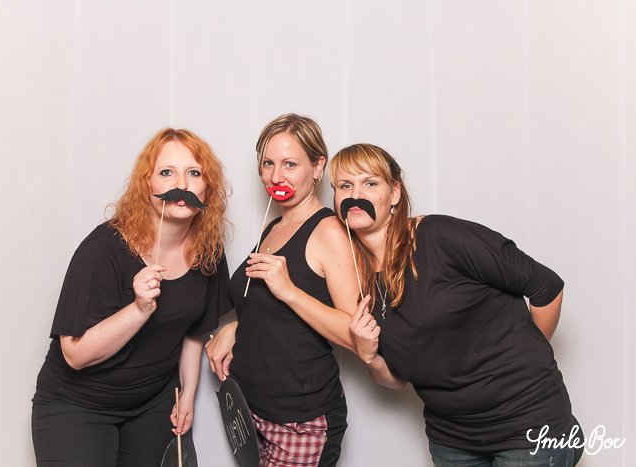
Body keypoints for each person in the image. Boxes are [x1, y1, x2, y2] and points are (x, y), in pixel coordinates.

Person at [331, 143, 579, 466]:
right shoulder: (358, 277)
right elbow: (398, 379)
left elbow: (547, 286)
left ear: (394, 193)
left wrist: (528, 358)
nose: (355, 195)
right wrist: (369, 357)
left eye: (370, 183)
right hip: (452, 439)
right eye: (344, 186)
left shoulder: (439, 236)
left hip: (527, 425)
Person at [31, 128, 231, 467]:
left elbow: (193, 330)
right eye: (166, 172)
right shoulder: (102, 249)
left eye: (194, 173)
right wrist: (139, 309)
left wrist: (188, 393)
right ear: (146, 185)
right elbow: (75, 354)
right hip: (78, 403)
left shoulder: (208, 251)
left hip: (152, 403)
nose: (181, 184)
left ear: (207, 187)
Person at [206, 113, 360, 466]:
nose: (276, 176)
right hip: (251, 411)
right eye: (268, 164)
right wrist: (237, 326)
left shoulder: (329, 232)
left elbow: (355, 334)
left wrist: (288, 290)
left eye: (290, 164)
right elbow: (271, 313)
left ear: (317, 167)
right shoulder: (274, 226)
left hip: (300, 422)